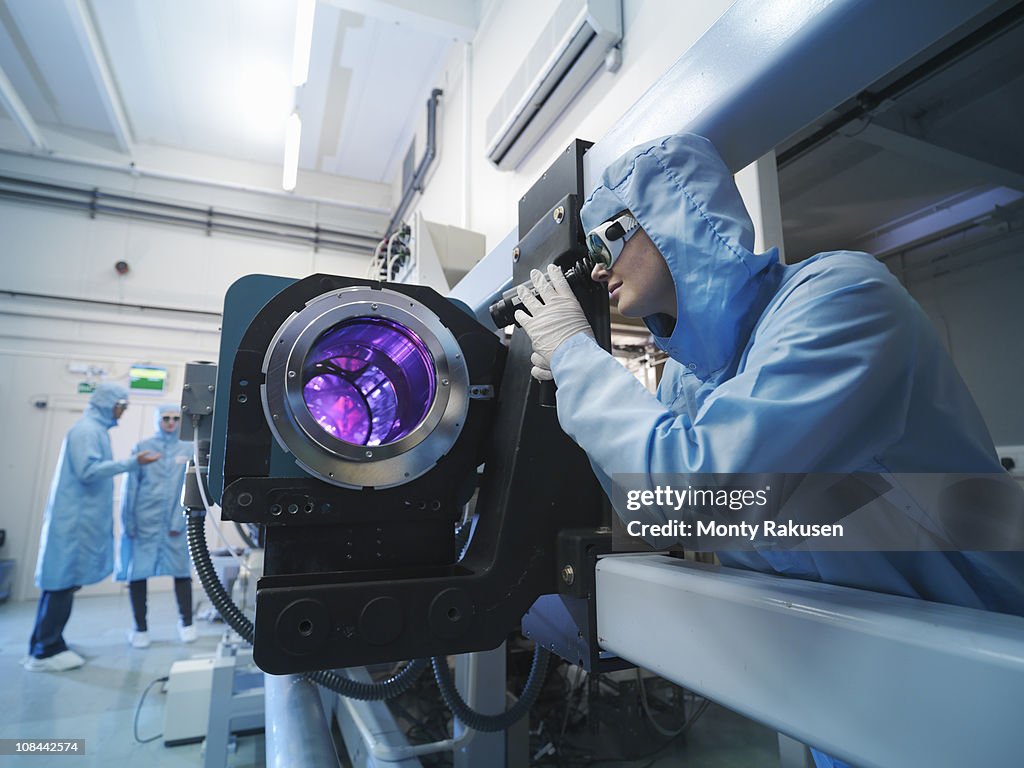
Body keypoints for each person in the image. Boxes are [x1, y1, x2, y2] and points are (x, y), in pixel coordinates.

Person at [514, 133, 1024, 768]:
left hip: (984, 655)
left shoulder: (839, 298)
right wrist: (573, 378)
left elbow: (699, 494)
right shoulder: (687, 379)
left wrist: (576, 359)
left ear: (677, 216)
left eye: (608, 237)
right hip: (841, 689)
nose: (595, 267)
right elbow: (653, 506)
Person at [25, 382, 159, 672]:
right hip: (73, 524)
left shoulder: (94, 430)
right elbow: (88, 471)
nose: (121, 413)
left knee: (62, 585)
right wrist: (131, 463)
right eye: (120, 407)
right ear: (107, 404)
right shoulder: (87, 431)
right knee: (60, 585)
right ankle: (45, 651)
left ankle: (47, 642)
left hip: (77, 521)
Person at [117, 404, 197, 647]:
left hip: (177, 524)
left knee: (181, 574)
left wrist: (178, 520)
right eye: (165, 418)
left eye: (175, 418)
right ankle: (140, 629)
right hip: (145, 523)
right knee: (138, 574)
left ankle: (187, 624)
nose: (171, 422)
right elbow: (130, 487)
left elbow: (191, 489)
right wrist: (128, 521)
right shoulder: (143, 448)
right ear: (157, 420)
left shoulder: (188, 449)